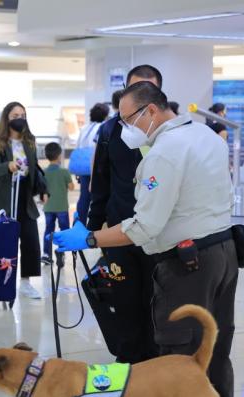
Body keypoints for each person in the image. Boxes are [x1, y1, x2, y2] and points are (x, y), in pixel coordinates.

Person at [54, 81, 242, 397]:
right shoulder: (206, 136)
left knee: (180, 357)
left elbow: (145, 227)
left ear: (150, 112)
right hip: (223, 252)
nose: (124, 128)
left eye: (127, 119)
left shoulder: (166, 153)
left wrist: (88, 237)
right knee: (215, 346)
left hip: (188, 263)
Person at [88, 65, 163, 365]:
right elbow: (100, 182)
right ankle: (129, 358)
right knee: (125, 297)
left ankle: (157, 359)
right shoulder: (110, 131)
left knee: (157, 299)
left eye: (147, 89)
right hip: (119, 231)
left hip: (158, 233)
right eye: (135, 89)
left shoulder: (171, 133)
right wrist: (91, 230)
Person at [0, 101, 48, 300]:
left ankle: (26, 282)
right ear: (6, 118)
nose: (20, 119)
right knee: (2, 241)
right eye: (15, 115)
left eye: (23, 115)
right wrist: (7, 166)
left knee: (30, 240)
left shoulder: (29, 141)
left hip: (24, 196)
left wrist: (43, 188)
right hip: (3, 195)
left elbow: (35, 167)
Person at [74, 103, 110, 226]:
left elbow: (78, 146)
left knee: (83, 197)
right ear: (105, 115)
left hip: (82, 167)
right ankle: (94, 225)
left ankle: (79, 224)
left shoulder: (84, 128)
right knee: (97, 197)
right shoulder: (103, 127)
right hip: (95, 167)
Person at [41, 142, 74, 263]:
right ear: (60, 155)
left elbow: (42, 190)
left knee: (48, 230)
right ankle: (61, 252)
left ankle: (46, 254)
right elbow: (71, 187)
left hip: (48, 207)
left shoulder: (43, 172)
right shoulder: (64, 172)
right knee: (64, 230)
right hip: (62, 207)